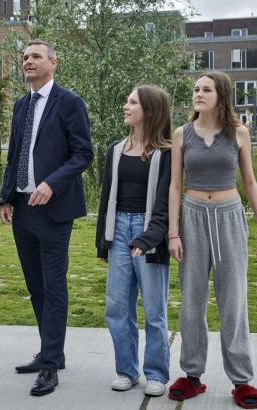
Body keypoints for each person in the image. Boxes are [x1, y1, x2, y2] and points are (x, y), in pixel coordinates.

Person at [167, 72, 257, 409]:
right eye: (196, 89)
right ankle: (192, 375)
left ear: (221, 95)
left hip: (229, 215)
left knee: (233, 299)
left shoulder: (238, 133)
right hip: (193, 215)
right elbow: (175, 187)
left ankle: (241, 380)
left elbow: (251, 182)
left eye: (205, 89)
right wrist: (173, 232)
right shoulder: (182, 134)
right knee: (192, 299)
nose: (198, 94)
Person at [0, 40, 93, 396]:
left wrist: (52, 184)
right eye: (24, 58)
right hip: (22, 210)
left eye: (35, 56)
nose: (28, 62)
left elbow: (84, 153)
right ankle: (50, 351)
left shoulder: (69, 102)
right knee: (35, 286)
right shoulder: (22, 104)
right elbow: (13, 156)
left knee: (54, 287)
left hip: (54, 211)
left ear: (53, 63)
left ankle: (50, 366)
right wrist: (6, 198)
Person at [96, 85, 172, 397]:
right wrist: (103, 240)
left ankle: (156, 373)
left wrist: (148, 236)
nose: (125, 107)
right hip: (119, 232)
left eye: (132, 102)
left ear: (150, 111)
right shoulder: (115, 150)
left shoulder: (166, 153)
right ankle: (127, 371)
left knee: (154, 309)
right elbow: (105, 200)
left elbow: (167, 204)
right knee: (116, 307)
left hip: (149, 233)